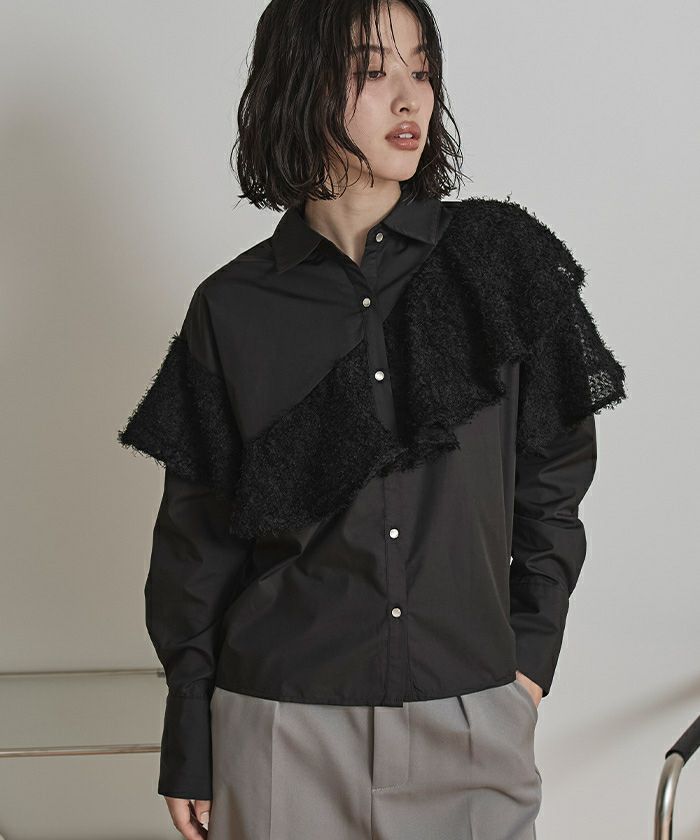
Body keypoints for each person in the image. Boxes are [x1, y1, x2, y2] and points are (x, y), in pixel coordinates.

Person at [117, 1, 628, 838]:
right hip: (280, 727)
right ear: (300, 85)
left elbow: (553, 481)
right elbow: (195, 543)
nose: (409, 97)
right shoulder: (232, 306)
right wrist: (190, 739)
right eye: (372, 70)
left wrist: (528, 664)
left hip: (471, 715)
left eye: (421, 71)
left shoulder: (498, 261)